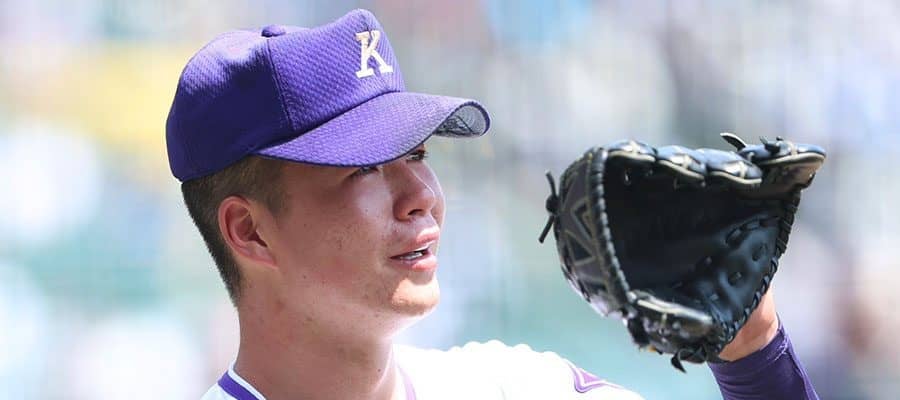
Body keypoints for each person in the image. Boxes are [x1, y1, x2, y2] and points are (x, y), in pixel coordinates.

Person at [165, 9, 819, 400]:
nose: (422, 196)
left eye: (417, 154)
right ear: (249, 231)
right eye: (364, 166)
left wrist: (754, 351)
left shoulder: (512, 387)